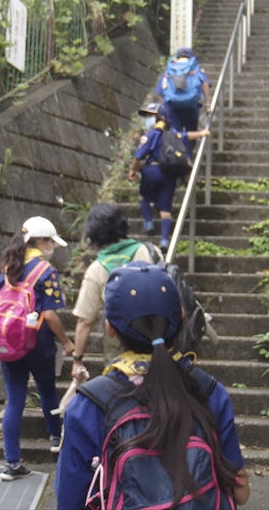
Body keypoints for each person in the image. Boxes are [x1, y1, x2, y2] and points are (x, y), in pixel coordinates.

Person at [55, 262, 250, 510]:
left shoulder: (89, 404)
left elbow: (69, 501)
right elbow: (240, 493)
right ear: (181, 316)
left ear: (110, 328)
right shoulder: (209, 391)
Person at [0, 216, 75, 481]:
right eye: (50, 241)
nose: (51, 245)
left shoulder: (9, 267)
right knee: (47, 390)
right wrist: (66, 342)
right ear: (41, 241)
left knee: (14, 399)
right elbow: (51, 316)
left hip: (8, 340)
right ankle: (56, 438)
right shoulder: (45, 270)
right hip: (38, 340)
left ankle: (11, 463)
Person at [71, 203, 163, 380]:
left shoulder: (96, 269)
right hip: (157, 332)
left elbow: (85, 321)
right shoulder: (150, 252)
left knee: (119, 386)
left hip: (119, 342)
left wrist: (77, 359)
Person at [129, 103, 210, 252]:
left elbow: (138, 156)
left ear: (160, 118)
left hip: (152, 170)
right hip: (169, 174)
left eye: (150, 116)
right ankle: (165, 239)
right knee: (165, 208)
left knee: (143, 195)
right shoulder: (172, 134)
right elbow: (186, 136)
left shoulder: (151, 134)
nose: (147, 119)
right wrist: (203, 133)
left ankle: (148, 222)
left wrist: (132, 170)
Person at [155, 47, 211, 156]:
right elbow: (205, 84)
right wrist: (207, 104)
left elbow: (160, 91)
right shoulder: (195, 67)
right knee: (192, 131)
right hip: (191, 107)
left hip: (172, 107)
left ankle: (176, 158)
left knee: (174, 133)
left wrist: (163, 108)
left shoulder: (170, 68)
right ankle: (188, 156)